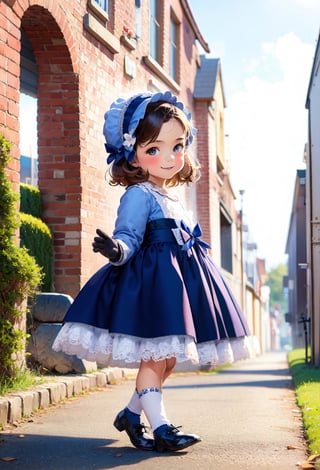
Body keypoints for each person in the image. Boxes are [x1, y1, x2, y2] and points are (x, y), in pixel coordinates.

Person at [53, 90, 252, 453]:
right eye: (154, 149)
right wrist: (116, 249)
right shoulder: (139, 194)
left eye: (177, 146)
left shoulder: (174, 197)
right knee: (156, 356)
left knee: (169, 357)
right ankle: (161, 428)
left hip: (177, 287)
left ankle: (131, 414)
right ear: (133, 153)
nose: (169, 157)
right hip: (151, 289)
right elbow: (129, 235)